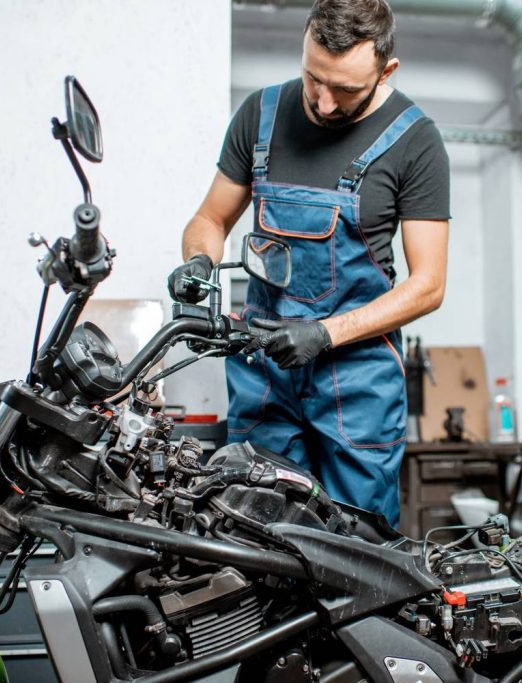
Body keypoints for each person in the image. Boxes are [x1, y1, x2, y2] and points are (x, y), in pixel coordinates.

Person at [168, 0, 450, 527]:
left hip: (357, 377)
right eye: (313, 77)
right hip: (265, 367)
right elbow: (209, 218)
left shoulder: (415, 141)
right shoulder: (262, 114)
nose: (322, 102)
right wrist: (198, 262)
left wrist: (324, 334)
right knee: (255, 528)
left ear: (386, 70)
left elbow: (429, 285)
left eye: (345, 90)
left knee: (356, 544)